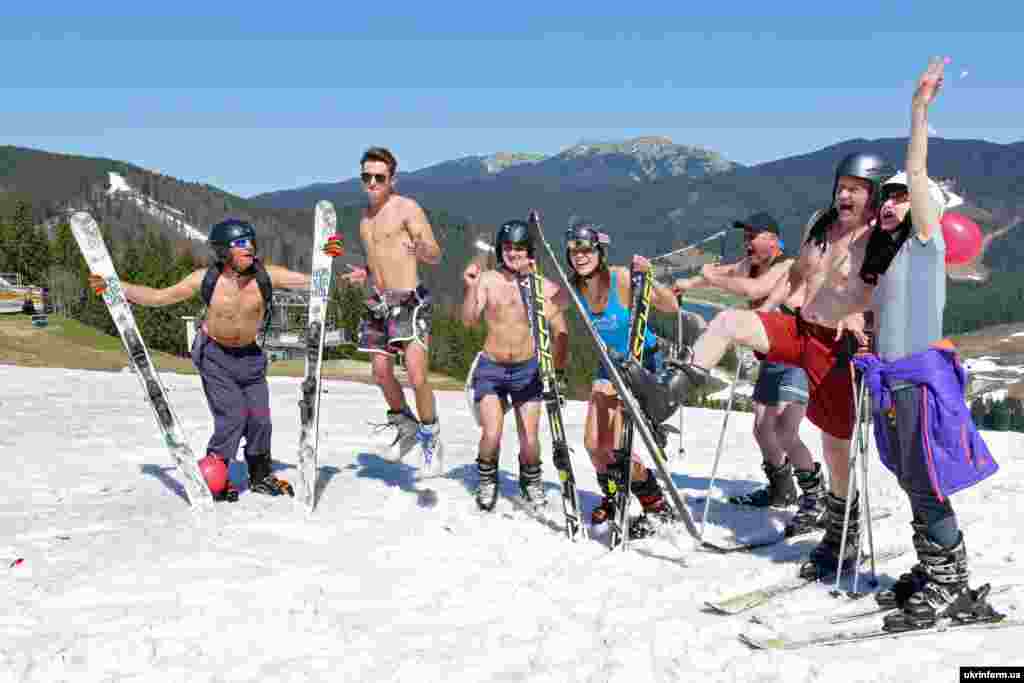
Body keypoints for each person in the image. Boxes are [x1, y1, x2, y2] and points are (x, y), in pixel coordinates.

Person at [661, 149, 891, 578]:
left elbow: (890, 290)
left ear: (873, 195)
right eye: (841, 187)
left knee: (834, 448)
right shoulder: (822, 226)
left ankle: (841, 533)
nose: (844, 196)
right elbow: (796, 276)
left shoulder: (880, 238)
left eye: (855, 190)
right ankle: (669, 391)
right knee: (729, 321)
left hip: (836, 348)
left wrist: (865, 318)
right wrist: (768, 310)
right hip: (801, 329)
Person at [832, 59, 998, 630]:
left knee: (925, 481)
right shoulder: (891, 260)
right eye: (888, 196)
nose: (890, 202)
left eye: (902, 197)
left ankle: (952, 587)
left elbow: (917, 166)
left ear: (923, 208)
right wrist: (862, 327)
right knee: (911, 479)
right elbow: (881, 310)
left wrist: (919, 110)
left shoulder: (924, 242)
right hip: (894, 379)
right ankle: (937, 571)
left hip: (922, 381)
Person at [89, 218, 344, 502]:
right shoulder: (205, 279)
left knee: (260, 419)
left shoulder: (267, 276)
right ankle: (217, 471)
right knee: (232, 415)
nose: (248, 247)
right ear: (224, 251)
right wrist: (114, 286)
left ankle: (260, 474)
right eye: (239, 243)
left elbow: (317, 282)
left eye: (250, 241)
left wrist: (326, 258)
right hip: (214, 355)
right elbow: (158, 297)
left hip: (249, 356)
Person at [673, 212, 817, 512]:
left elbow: (754, 290)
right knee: (762, 428)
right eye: (746, 236)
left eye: (754, 236)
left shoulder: (787, 266)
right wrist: (688, 283)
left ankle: (815, 494)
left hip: (798, 355)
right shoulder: (749, 265)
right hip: (772, 357)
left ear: (774, 241)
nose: (747, 242)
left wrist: (712, 278)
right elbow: (724, 271)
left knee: (784, 429)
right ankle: (781, 489)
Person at [565, 221, 678, 534]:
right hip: (608, 365)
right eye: (574, 251)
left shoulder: (620, 278)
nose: (580, 256)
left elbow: (670, 306)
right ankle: (613, 496)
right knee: (592, 444)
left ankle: (656, 505)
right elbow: (548, 305)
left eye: (586, 249)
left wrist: (649, 278)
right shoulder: (576, 288)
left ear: (598, 251)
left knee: (615, 447)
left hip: (641, 362)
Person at [340, 147, 445, 478]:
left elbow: (435, 254)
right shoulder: (364, 220)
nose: (372, 182)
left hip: (410, 300)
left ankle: (431, 436)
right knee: (381, 372)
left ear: (391, 179)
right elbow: (378, 262)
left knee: (416, 375)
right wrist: (365, 274)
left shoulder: (406, 208)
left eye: (379, 177)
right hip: (379, 301)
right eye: (366, 177)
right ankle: (406, 425)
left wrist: (422, 249)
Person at [461, 219, 569, 511]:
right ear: (500, 249)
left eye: (520, 248)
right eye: (508, 247)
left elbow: (561, 330)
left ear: (530, 251)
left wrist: (557, 372)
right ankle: (487, 479)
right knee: (492, 433)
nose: (514, 253)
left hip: (527, 370)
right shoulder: (488, 280)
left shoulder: (542, 286)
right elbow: (469, 320)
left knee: (530, 439)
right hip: (491, 367)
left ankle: (531, 480)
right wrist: (471, 287)